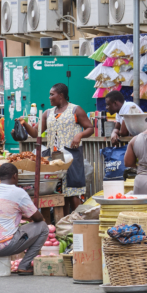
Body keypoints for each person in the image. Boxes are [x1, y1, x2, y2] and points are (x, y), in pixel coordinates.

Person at [18, 83, 93, 213]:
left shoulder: (75, 110)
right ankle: (62, 223)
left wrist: (79, 134)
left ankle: (78, 222)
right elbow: (36, 133)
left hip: (72, 156)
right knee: (58, 192)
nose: (49, 97)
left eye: (52, 94)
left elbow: (90, 128)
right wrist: (24, 123)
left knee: (73, 190)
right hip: (54, 159)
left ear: (61, 95)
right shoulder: (47, 113)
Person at [0, 162, 48, 276]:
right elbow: (38, 218)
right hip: (4, 246)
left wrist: (21, 216)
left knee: (3, 231)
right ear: (15, 176)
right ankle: (25, 265)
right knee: (43, 227)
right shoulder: (18, 192)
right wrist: (27, 217)